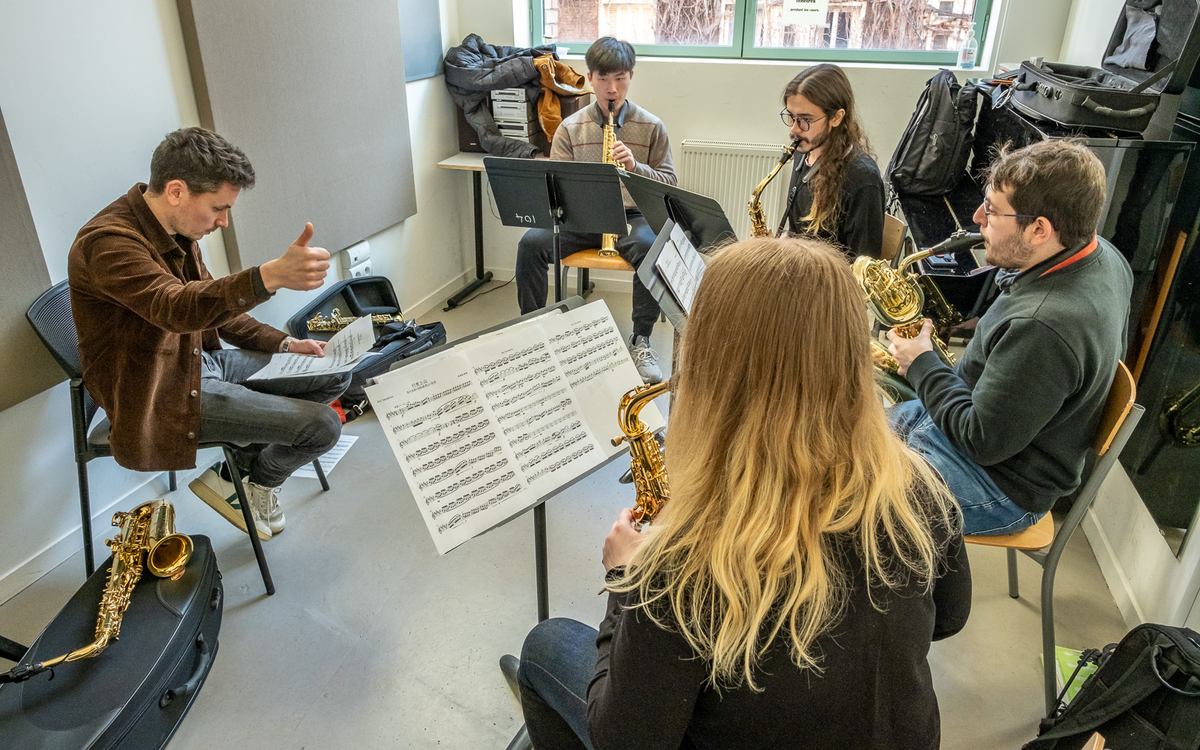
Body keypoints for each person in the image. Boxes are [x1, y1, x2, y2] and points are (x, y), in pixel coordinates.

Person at [512, 237, 971, 750]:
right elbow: (949, 619)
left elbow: (625, 739)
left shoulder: (685, 565)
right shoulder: (919, 487)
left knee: (544, 646)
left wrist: (628, 580)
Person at [68, 127, 350, 541]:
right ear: (177, 191)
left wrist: (285, 344)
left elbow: (216, 311)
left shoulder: (177, 229)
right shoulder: (108, 243)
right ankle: (258, 481)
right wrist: (266, 277)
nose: (224, 221)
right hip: (157, 394)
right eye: (218, 208)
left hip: (198, 364)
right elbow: (176, 308)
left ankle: (238, 472)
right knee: (323, 427)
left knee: (334, 373)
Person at [887, 139, 1133, 536]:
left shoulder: (1043, 327)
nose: (977, 217)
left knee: (842, 499)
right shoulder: (1101, 252)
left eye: (993, 211)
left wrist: (922, 363)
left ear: (1039, 230)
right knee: (833, 440)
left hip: (1001, 482)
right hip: (982, 423)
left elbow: (979, 440)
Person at [515, 37, 676, 384]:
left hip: (632, 216)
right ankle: (531, 333)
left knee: (651, 248)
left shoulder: (652, 126)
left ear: (631, 76)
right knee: (531, 243)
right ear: (590, 78)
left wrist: (635, 166)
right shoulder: (570, 128)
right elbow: (555, 184)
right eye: (603, 79)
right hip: (583, 218)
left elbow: (669, 183)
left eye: (620, 78)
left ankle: (641, 338)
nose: (612, 88)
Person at [780, 63, 885, 260]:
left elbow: (863, 268)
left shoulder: (863, 178)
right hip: (800, 272)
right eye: (791, 117)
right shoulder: (802, 152)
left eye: (804, 120)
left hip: (832, 287)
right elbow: (797, 232)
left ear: (836, 117)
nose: (794, 129)